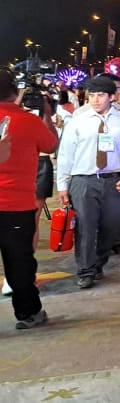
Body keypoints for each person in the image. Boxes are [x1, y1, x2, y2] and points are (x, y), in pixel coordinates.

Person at [56, 75, 120, 289]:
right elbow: (66, 154)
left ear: (112, 97)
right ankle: (85, 270)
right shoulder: (78, 120)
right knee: (85, 228)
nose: (95, 99)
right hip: (83, 180)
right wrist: (63, 186)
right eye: (91, 95)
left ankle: (99, 262)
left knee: (110, 227)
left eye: (101, 95)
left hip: (114, 181)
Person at [0, 69, 58, 327]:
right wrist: (45, 112)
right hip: (17, 206)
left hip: (15, 204)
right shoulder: (28, 121)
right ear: (14, 92)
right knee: (19, 262)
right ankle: (28, 313)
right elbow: (50, 145)